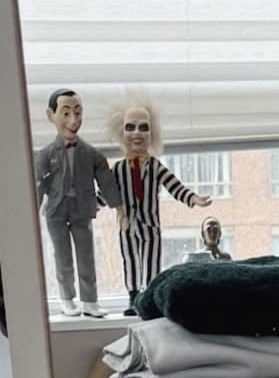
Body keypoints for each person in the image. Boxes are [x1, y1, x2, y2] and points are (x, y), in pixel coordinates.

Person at [105, 96, 211, 312]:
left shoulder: (155, 167)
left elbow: (175, 187)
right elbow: (105, 194)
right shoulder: (117, 170)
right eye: (130, 127)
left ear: (152, 134)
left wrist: (193, 199)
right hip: (127, 227)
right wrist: (85, 207)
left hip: (150, 226)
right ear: (121, 133)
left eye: (143, 128)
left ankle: (150, 298)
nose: (136, 133)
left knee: (151, 262)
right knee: (131, 262)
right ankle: (134, 298)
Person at [34, 87, 122, 317]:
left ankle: (90, 300)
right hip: (55, 209)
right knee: (62, 256)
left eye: (78, 112)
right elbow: (37, 185)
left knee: (86, 254)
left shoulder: (92, 153)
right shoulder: (44, 155)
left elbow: (106, 181)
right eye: (65, 113)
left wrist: (119, 207)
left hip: (82, 209)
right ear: (51, 115)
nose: (73, 120)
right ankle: (67, 298)